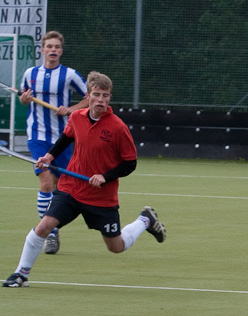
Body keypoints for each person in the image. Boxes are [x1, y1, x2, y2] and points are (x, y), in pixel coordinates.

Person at [3, 72, 165, 288]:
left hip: (101, 196)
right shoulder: (76, 117)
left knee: (116, 246)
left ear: (110, 98)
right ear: (87, 96)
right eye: (96, 95)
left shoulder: (118, 128)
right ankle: (21, 275)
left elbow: (130, 163)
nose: (101, 100)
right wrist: (49, 156)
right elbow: (67, 137)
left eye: (105, 95)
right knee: (44, 227)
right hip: (71, 189)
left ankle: (145, 220)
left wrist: (105, 177)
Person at [19, 30, 89, 255]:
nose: (53, 50)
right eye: (49, 46)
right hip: (37, 136)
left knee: (61, 188)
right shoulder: (30, 74)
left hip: (63, 138)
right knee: (46, 183)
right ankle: (49, 234)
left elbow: (90, 97)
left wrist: (70, 109)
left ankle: (51, 226)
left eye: (57, 47)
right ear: (42, 50)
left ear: (61, 51)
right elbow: (24, 98)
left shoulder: (69, 75)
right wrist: (24, 99)